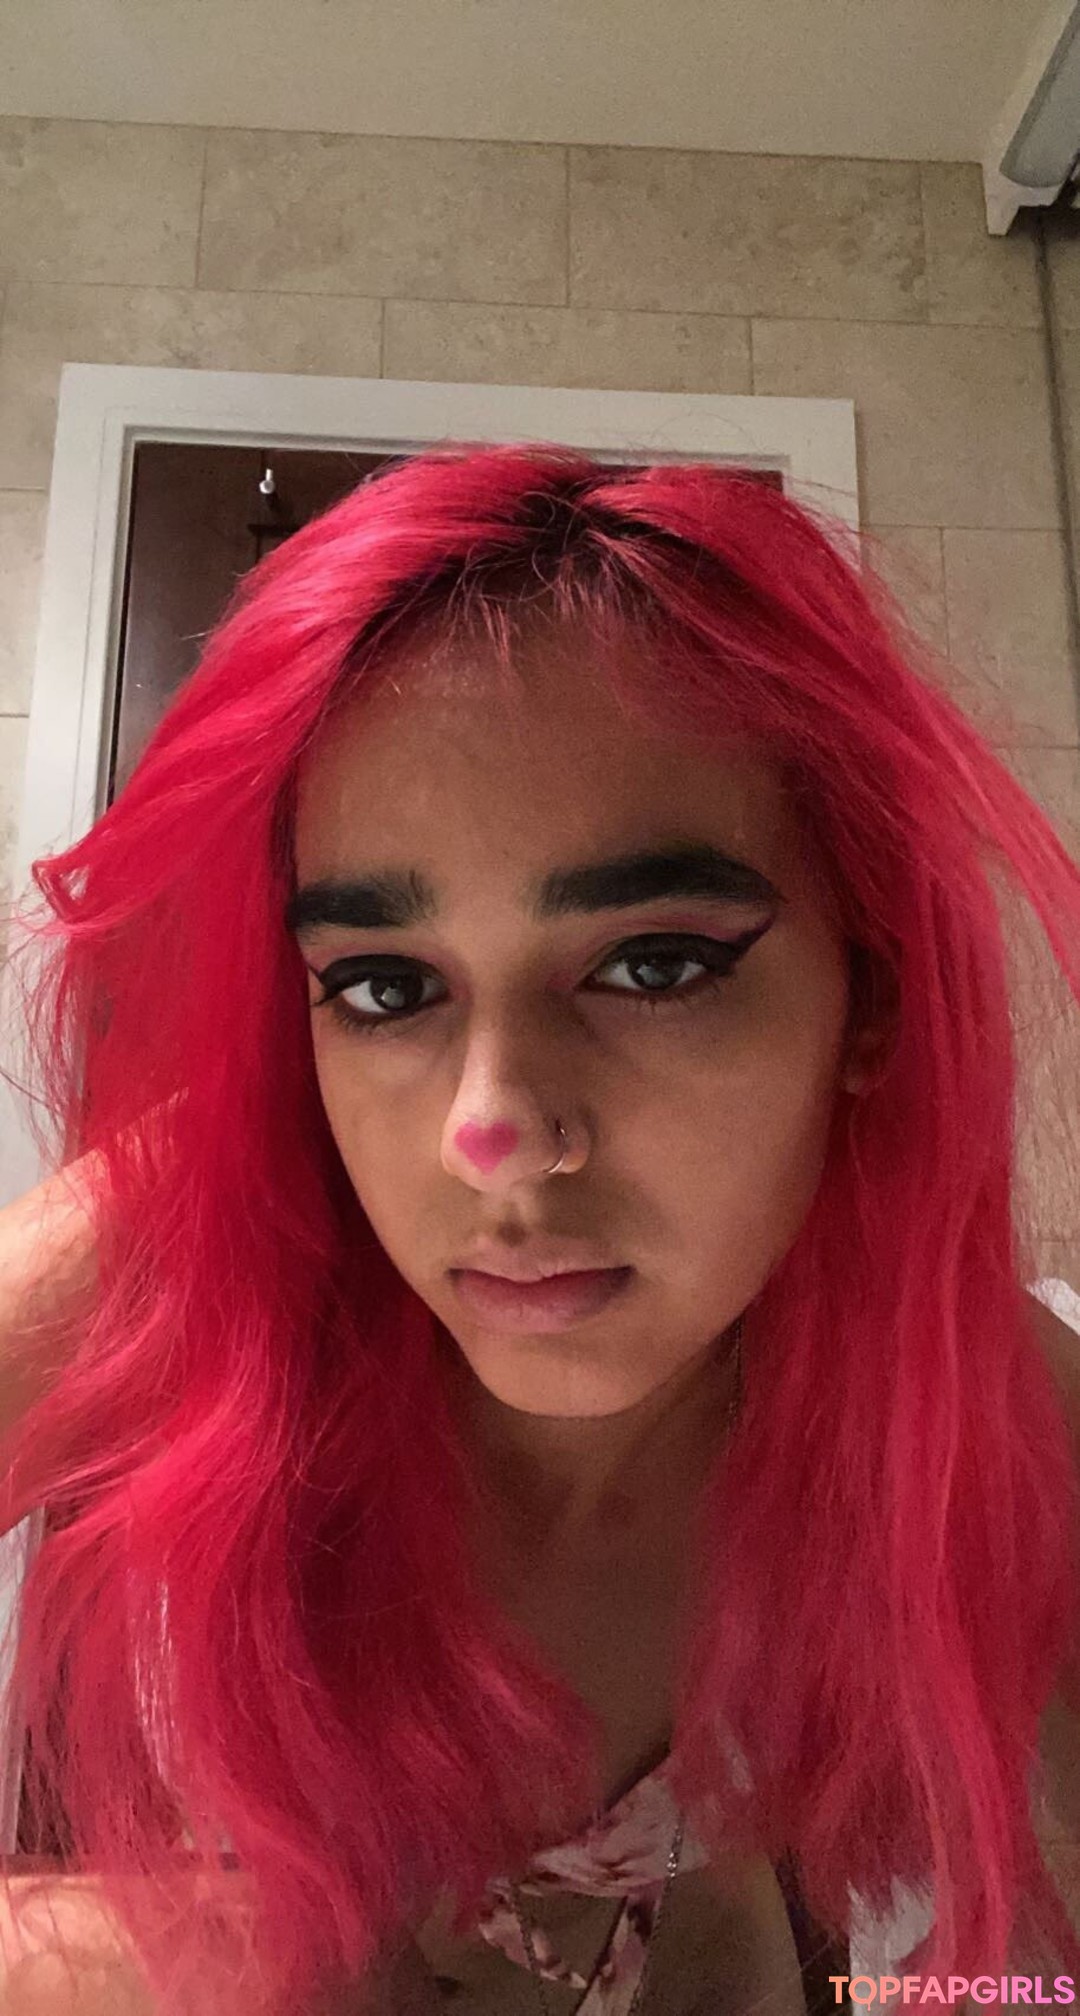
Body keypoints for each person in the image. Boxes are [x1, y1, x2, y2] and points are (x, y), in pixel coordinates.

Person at [1, 443, 1080, 2016]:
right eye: (385, 986)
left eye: (654, 965)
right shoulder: (185, 1257)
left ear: (872, 1001)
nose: (491, 1132)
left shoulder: (983, 1399)